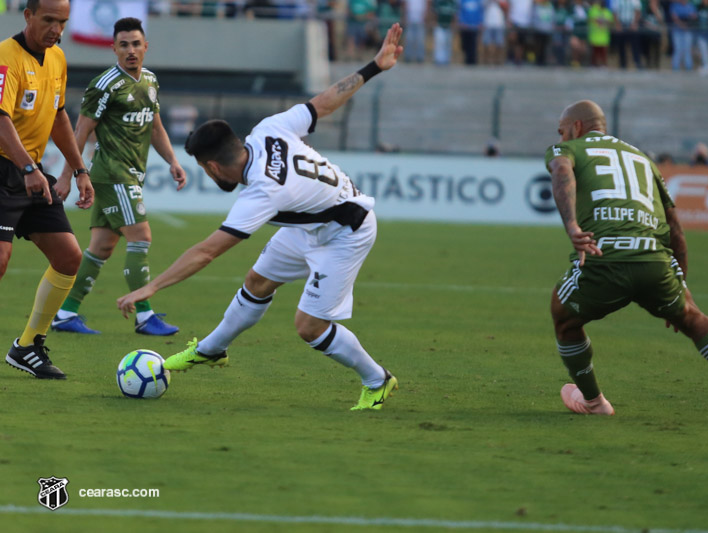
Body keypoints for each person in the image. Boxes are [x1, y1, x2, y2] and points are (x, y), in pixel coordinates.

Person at [117, 24, 405, 411]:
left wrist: (151, 288)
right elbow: (325, 103)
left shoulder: (262, 193)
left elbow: (206, 252)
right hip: (311, 222)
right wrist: (374, 66)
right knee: (258, 280)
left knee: (309, 326)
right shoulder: (268, 129)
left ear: (215, 166)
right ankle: (211, 350)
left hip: (345, 232)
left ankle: (377, 380)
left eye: (203, 168)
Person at [544, 100, 708, 425]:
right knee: (692, 318)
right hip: (654, 261)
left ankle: (594, 402)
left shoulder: (568, 149)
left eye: (562, 131)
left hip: (604, 259)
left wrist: (572, 225)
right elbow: (676, 230)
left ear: (576, 128)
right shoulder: (643, 158)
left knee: (563, 316)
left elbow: (561, 172)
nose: (560, 138)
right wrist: (680, 292)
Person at [50, 17, 186, 336]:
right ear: (114, 48)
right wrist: (67, 176)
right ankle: (144, 315)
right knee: (142, 236)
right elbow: (80, 132)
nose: (131, 50)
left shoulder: (150, 82)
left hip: (131, 175)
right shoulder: (104, 84)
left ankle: (65, 313)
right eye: (123, 45)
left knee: (101, 247)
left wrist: (173, 161)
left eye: (136, 44)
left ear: (145, 47)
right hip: (113, 173)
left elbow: (155, 126)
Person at [0, 0, 94, 380]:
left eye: (63, 22)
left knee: (69, 257)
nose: (57, 28)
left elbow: (57, 116)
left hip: (31, 172)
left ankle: (26, 346)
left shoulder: (57, 58)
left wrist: (79, 168)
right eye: (49, 19)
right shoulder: (6, 56)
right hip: (6, 169)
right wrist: (27, 167)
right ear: (28, 16)